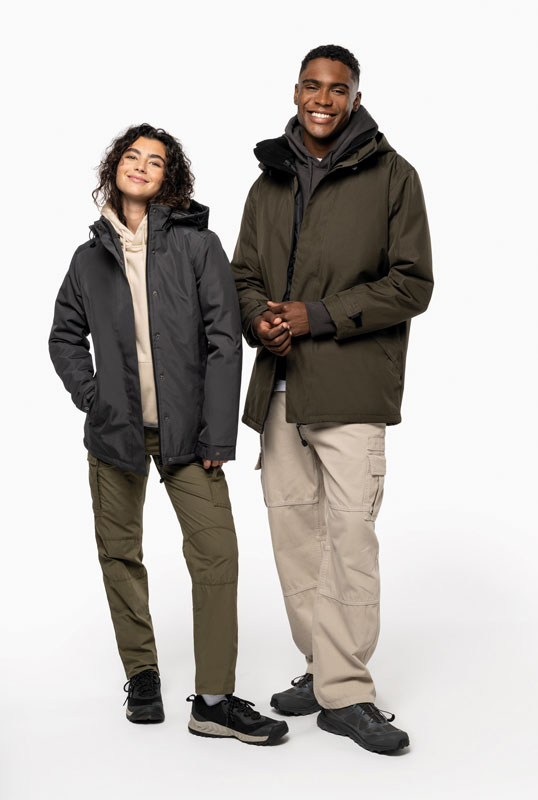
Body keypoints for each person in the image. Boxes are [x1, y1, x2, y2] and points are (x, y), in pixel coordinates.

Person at [49, 123, 288, 746]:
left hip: (189, 436)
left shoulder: (198, 246)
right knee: (119, 553)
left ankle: (213, 701)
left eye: (154, 161)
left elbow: (224, 342)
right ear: (115, 167)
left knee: (217, 555)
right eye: (131, 156)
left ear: (168, 177)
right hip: (115, 435)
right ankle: (142, 674)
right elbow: (64, 335)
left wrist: (217, 437)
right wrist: (94, 398)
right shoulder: (88, 258)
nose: (140, 166)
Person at [232, 45, 433, 753]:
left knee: (349, 539)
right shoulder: (268, 182)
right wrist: (260, 320)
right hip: (278, 390)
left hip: (351, 389)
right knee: (295, 539)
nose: (323, 99)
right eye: (312, 86)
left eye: (337, 89)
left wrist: (316, 316)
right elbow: (243, 275)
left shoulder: (393, 176)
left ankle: (348, 693)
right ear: (296, 92)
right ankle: (322, 666)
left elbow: (412, 284)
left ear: (354, 98)